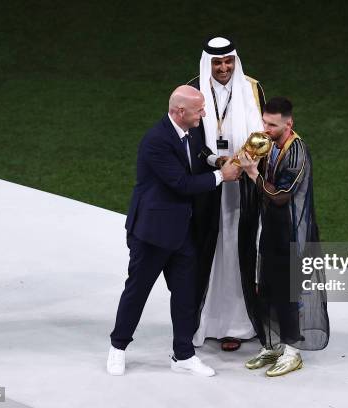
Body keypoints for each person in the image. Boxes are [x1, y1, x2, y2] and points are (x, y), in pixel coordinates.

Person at [107, 85, 241, 377]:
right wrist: (223, 175)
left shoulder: (187, 131)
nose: (203, 114)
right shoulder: (156, 141)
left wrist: (214, 160)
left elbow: (197, 153)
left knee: (186, 295)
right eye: (199, 110)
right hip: (152, 234)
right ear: (180, 112)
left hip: (181, 233)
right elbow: (181, 183)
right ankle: (118, 347)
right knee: (137, 291)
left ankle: (183, 355)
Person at [238, 96, 329, 377]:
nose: (266, 128)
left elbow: (280, 196)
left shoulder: (297, 152)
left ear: (289, 124)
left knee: (289, 293)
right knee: (265, 289)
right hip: (271, 230)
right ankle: (272, 345)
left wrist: (253, 173)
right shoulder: (271, 146)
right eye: (264, 122)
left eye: (273, 124)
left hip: (292, 233)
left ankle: (293, 351)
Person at [187, 36, 266, 352]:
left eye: (228, 61)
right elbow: (187, 136)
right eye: (218, 63)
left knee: (238, 249)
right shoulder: (193, 90)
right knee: (206, 249)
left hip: (243, 184)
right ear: (209, 62)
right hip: (207, 183)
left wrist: (246, 160)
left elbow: (263, 132)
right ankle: (203, 321)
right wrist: (217, 161)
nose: (223, 68)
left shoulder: (252, 88)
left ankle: (238, 325)